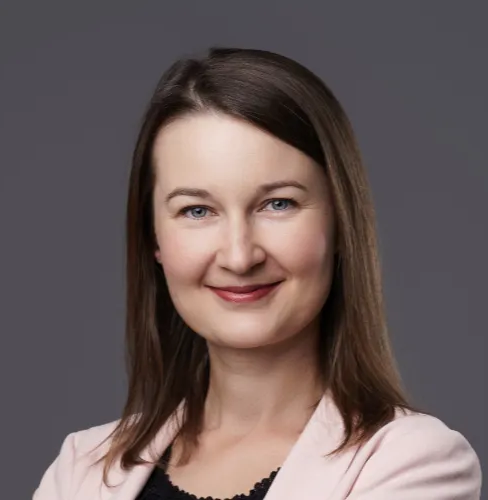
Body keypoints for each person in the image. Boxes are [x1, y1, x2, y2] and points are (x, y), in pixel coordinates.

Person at [33, 47, 482, 500]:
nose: (239, 256)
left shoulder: (414, 461)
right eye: (197, 210)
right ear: (154, 238)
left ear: (340, 222)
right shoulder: (82, 469)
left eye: (278, 204)